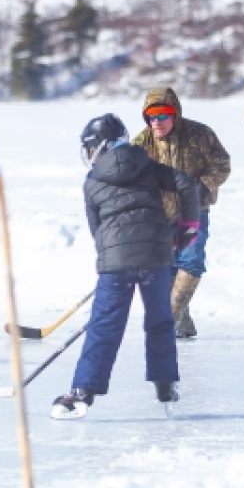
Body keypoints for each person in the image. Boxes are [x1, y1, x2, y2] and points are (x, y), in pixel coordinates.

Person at [52, 113, 201, 418]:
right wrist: (188, 226)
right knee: (160, 322)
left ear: (101, 145)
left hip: (116, 264)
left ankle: (83, 391)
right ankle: (165, 383)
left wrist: (111, 252)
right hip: (156, 258)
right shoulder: (147, 165)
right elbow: (186, 185)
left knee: (104, 325)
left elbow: (96, 228)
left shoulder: (92, 182)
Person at [132, 87, 232, 339]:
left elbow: (222, 164)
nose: (157, 122)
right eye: (152, 117)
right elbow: (129, 177)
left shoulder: (200, 134)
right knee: (166, 269)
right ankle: (182, 323)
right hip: (160, 214)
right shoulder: (141, 143)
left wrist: (203, 187)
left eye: (163, 115)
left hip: (194, 212)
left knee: (190, 261)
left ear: (174, 114)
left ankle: (167, 321)